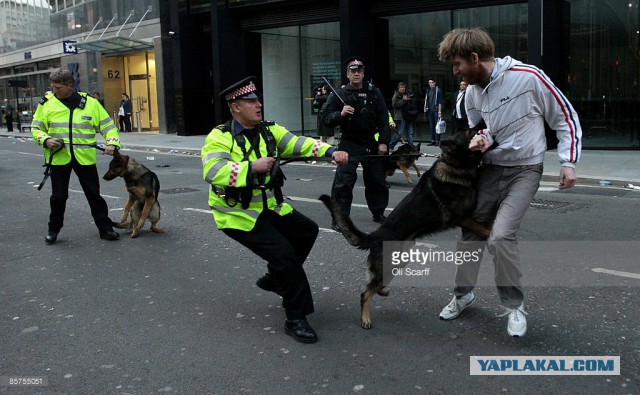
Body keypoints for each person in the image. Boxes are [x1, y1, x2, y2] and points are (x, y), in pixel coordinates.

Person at [436, 27, 582, 337]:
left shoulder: (528, 77)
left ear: (475, 58)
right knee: (470, 236)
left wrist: (568, 162)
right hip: (489, 170)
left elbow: (564, 117)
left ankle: (514, 306)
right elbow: (483, 128)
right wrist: (481, 140)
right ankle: (463, 295)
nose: (455, 70)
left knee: (501, 238)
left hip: (524, 170)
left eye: (458, 63)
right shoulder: (473, 90)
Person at [201, 76, 348, 344]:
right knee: (285, 256)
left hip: (269, 206)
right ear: (235, 107)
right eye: (251, 101)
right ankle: (295, 318)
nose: (258, 105)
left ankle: (275, 278)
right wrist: (250, 167)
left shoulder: (269, 130)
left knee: (307, 231)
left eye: (258, 100)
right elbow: (212, 171)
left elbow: (299, 143)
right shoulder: (220, 137)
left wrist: (330, 152)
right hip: (236, 215)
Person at [30, 70, 121, 244]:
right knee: (58, 197)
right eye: (52, 87)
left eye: (58, 87)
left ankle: (105, 229)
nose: (54, 90)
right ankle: (53, 229)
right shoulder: (46, 104)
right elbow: (35, 128)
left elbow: (108, 126)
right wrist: (46, 140)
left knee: (94, 195)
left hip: (84, 158)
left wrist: (112, 143)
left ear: (70, 85)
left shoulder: (90, 103)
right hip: (58, 158)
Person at [321, 56, 390, 226]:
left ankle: (378, 213)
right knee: (343, 183)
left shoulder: (374, 92)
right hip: (349, 142)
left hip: (370, 143)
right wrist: (341, 114)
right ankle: (339, 220)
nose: (356, 73)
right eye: (353, 71)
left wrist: (383, 142)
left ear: (363, 73)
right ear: (348, 74)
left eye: (359, 70)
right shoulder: (340, 94)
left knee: (377, 181)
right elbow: (325, 117)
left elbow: (383, 118)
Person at [390, 81, 416, 150]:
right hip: (401, 117)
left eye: (404, 87)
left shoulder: (407, 94)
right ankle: (391, 145)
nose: (403, 89)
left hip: (408, 116)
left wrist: (409, 100)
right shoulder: (396, 95)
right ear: (398, 88)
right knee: (399, 133)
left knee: (410, 132)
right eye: (401, 87)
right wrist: (404, 100)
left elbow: (412, 104)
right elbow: (395, 105)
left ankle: (411, 146)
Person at [423, 77, 443, 145]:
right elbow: (426, 101)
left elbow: (440, 102)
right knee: (432, 126)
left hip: (436, 111)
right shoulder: (428, 91)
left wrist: (440, 112)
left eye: (432, 82)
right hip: (430, 111)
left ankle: (437, 141)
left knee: (437, 126)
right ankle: (433, 140)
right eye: (429, 83)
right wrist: (425, 111)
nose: (431, 84)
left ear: (435, 83)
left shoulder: (438, 90)